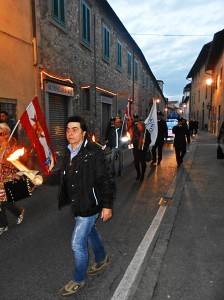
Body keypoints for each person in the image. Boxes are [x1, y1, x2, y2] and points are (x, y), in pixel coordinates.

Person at [33, 115, 115, 297]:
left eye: (75, 129)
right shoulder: (68, 152)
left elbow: (106, 180)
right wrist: (42, 179)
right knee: (91, 231)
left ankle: (78, 279)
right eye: (68, 129)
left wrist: (107, 205)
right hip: (77, 204)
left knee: (77, 243)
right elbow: (61, 176)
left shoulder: (94, 152)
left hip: (90, 204)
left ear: (84, 132)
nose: (70, 133)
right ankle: (102, 259)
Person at [0, 123, 25, 235]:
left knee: (2, 201)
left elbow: (16, 165)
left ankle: (17, 212)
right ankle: (4, 223)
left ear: (7, 134)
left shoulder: (13, 148)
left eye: (1, 133)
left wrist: (5, 162)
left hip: (8, 177)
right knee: (2, 201)